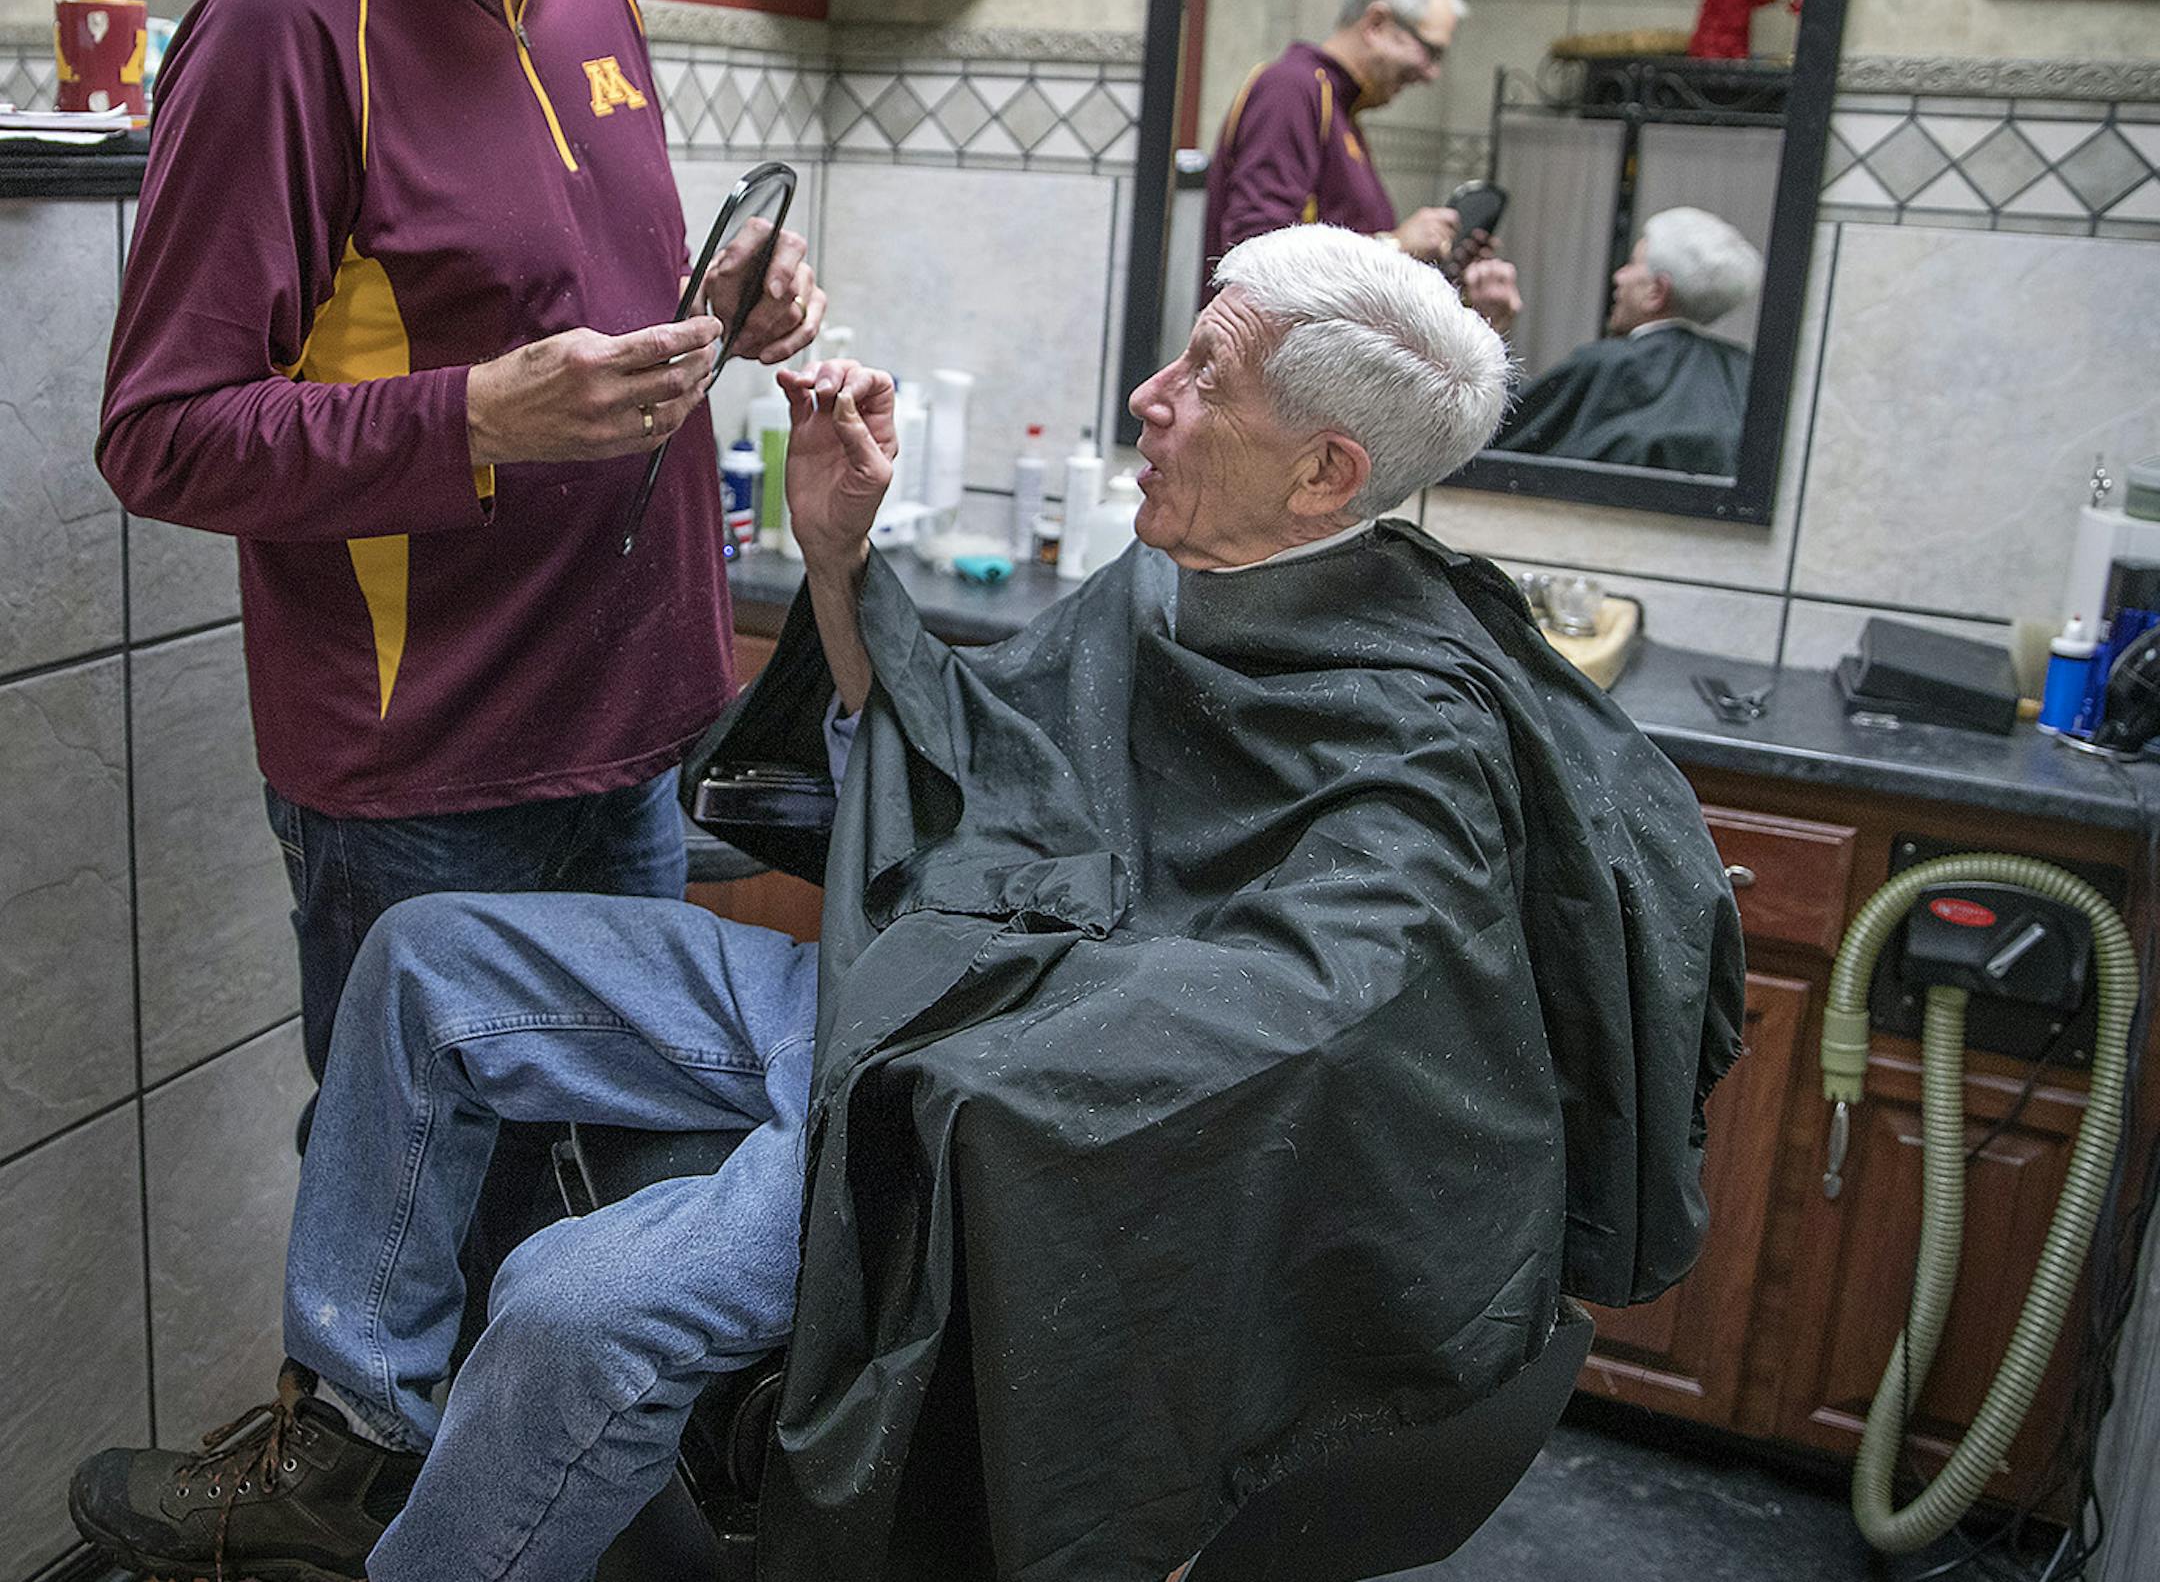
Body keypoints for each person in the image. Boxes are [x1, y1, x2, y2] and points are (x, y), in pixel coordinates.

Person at [73, 226, 1745, 1582]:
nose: (1152, 397)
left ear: (1326, 469)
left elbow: (1322, 1007)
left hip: (971, 1096)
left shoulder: (1412, 724)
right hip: (900, 997)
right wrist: (840, 550)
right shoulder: (1172, 583)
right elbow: (979, 768)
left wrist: (948, 1083)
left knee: (581, 1302)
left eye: (1203, 376)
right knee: (429, 958)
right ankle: (354, 1442)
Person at [95, 0, 825, 1089]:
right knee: (424, 1245)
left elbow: (568, 294)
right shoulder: (287, 22)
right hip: (430, 775)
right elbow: (159, 432)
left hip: (633, 729)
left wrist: (724, 301)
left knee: (610, 1218)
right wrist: (475, 421)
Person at [1203, 0, 1521, 329]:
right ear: (1377, 24)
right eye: (1430, 52)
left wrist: (1430, 266)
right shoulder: (1291, 89)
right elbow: (1254, 252)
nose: (1432, 74)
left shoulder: (1339, 108)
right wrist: (1395, 247)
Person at [1492, 205, 1763, 474]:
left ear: (1656, 293)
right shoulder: (1744, 373)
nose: (1618, 276)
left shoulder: (1606, 366)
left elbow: (1498, 432)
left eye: (1632, 264)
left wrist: (1490, 330)